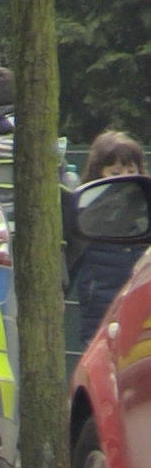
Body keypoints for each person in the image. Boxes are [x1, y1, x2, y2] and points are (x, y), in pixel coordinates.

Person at [67, 130, 146, 366]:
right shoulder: (88, 206)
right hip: (99, 300)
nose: (124, 178)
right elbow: (72, 255)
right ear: (98, 172)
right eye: (115, 172)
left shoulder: (143, 205)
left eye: (131, 171)